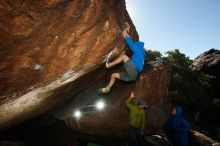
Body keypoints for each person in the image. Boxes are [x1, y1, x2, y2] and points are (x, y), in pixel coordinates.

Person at [99, 28, 146, 93]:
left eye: (136, 45)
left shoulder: (139, 51)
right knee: (113, 75)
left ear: (138, 46)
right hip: (133, 77)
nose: (135, 45)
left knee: (124, 57)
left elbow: (132, 45)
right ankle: (107, 88)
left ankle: (109, 65)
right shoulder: (141, 57)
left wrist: (126, 36)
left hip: (134, 70)